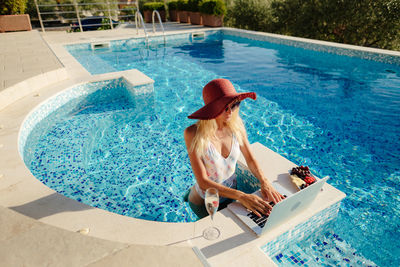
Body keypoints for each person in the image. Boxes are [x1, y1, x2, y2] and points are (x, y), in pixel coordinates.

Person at [183, 78, 284, 219]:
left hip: (230, 194)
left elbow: (250, 159)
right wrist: (242, 196)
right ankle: (188, 195)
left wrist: (264, 181)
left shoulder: (237, 126)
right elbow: (203, 182)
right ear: (212, 108)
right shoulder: (193, 133)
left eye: (235, 104)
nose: (230, 112)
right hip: (204, 201)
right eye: (224, 107)